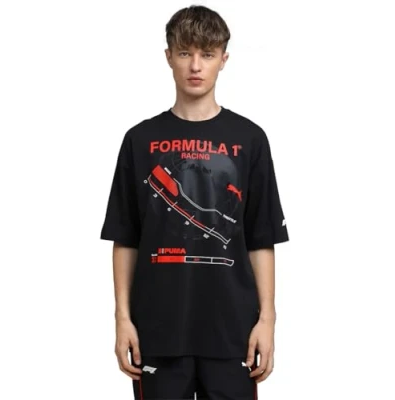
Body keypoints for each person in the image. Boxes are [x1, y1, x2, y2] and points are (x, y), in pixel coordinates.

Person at [100, 5, 289, 400]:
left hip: (233, 330)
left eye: (207, 53)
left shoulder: (250, 139)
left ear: (224, 59)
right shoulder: (139, 140)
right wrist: (122, 319)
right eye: (185, 53)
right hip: (158, 329)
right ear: (169, 56)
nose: (196, 66)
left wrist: (268, 320)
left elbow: (260, 238)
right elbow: (126, 237)